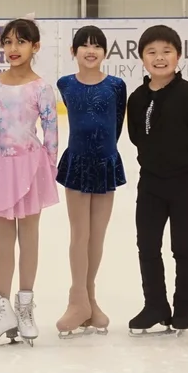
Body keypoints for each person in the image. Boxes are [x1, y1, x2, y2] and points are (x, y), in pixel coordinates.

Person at [0, 18, 58, 348]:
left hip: (32, 165)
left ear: (35, 47)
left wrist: (48, 168)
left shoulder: (41, 88)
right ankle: (1, 309)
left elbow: (51, 132)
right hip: (0, 164)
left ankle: (25, 307)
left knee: (29, 236)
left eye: (20, 42)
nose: (13, 48)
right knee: (3, 239)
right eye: (7, 42)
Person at [125, 25, 188, 335]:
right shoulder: (137, 98)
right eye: (152, 52)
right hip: (150, 183)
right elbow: (136, 136)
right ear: (142, 58)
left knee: (184, 247)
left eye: (166, 51)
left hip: (185, 183)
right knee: (147, 245)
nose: (159, 58)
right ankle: (155, 305)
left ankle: (184, 307)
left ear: (178, 55)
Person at [53, 25, 125, 337]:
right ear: (74, 51)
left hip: (105, 162)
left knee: (98, 235)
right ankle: (77, 299)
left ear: (105, 52)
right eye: (84, 45)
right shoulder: (66, 84)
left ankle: (90, 299)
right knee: (79, 234)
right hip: (78, 163)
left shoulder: (116, 86)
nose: (90, 50)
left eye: (97, 46)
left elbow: (117, 124)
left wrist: (104, 153)